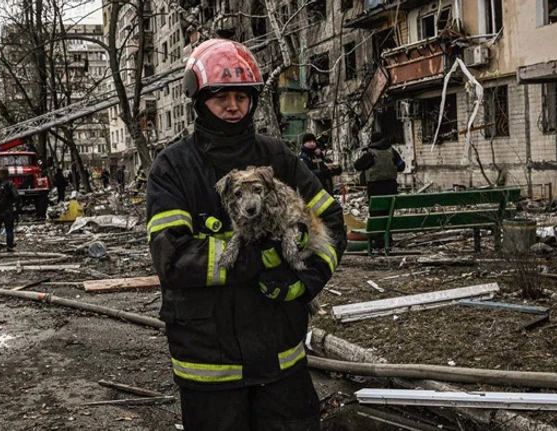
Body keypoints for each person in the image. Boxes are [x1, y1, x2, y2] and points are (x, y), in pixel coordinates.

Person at [147, 39, 346, 431]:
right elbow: (173, 257)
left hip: (280, 358)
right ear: (198, 100)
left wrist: (306, 281)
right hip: (209, 364)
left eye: (242, 96)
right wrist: (256, 257)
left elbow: (332, 223)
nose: (233, 106)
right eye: (221, 97)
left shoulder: (278, 158)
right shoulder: (173, 168)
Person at [354, 131, 406, 201]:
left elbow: (357, 166)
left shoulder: (370, 154)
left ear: (372, 141)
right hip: (391, 187)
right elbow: (401, 166)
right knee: (390, 207)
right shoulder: (392, 152)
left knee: (376, 207)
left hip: (375, 189)